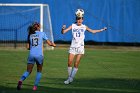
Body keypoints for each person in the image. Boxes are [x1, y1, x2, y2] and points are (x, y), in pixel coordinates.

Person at [61, 9, 107, 84]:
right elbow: (63, 32)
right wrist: (63, 28)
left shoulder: (84, 27)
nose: (79, 20)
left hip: (80, 48)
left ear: (83, 19)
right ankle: (69, 78)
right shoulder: (73, 25)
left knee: (76, 64)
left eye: (80, 19)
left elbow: (93, 31)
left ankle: (70, 79)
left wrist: (102, 29)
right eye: (78, 19)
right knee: (69, 63)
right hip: (73, 47)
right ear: (76, 19)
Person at [17, 22, 56, 90]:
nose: (40, 26)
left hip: (31, 55)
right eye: (40, 26)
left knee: (28, 71)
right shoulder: (42, 33)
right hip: (39, 55)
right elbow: (49, 43)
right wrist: (53, 44)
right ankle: (35, 86)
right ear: (38, 27)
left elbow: (28, 47)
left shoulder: (30, 35)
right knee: (39, 71)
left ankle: (21, 80)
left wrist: (32, 47)